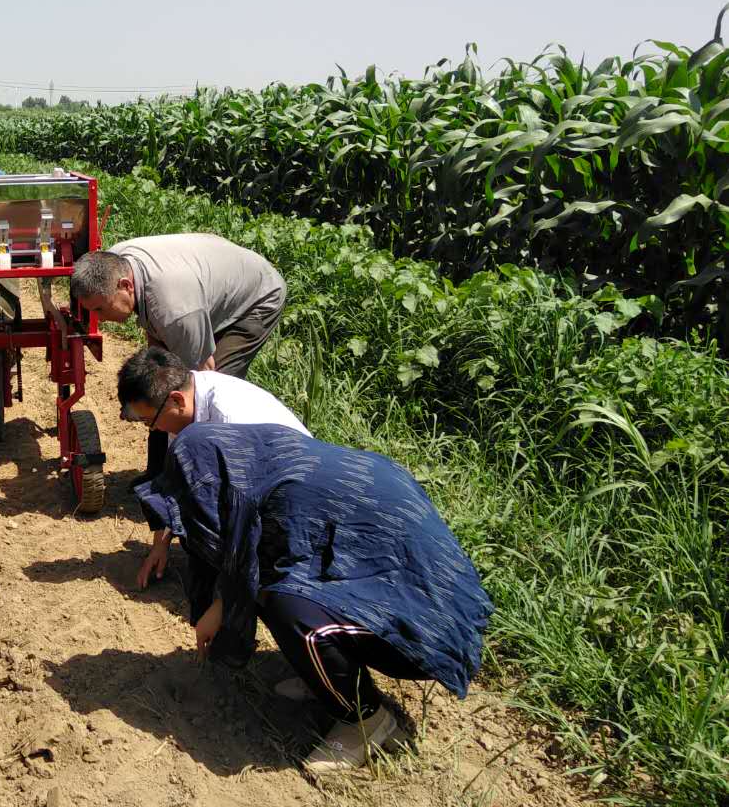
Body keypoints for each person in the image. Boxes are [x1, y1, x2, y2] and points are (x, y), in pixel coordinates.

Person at [135, 423, 492, 773]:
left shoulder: (280, 494)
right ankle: (326, 679)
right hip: (406, 587)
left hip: (430, 623)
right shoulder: (266, 463)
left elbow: (256, 573)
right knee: (271, 585)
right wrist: (222, 603)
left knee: (288, 605)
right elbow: (256, 559)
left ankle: (366, 721)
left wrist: (228, 609)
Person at [70, 234, 286, 480]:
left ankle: (203, 478)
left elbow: (201, 378)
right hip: (208, 284)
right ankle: (158, 472)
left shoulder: (175, 312)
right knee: (159, 385)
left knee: (204, 393)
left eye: (100, 308)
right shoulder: (116, 261)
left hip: (256, 298)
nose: (99, 317)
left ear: (126, 286)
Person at [117, 345, 309, 590]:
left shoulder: (228, 418)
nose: (153, 429)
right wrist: (160, 545)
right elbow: (175, 479)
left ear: (176, 400)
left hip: (295, 495)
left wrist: (226, 593)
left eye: (149, 421)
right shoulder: (186, 400)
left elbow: (243, 504)